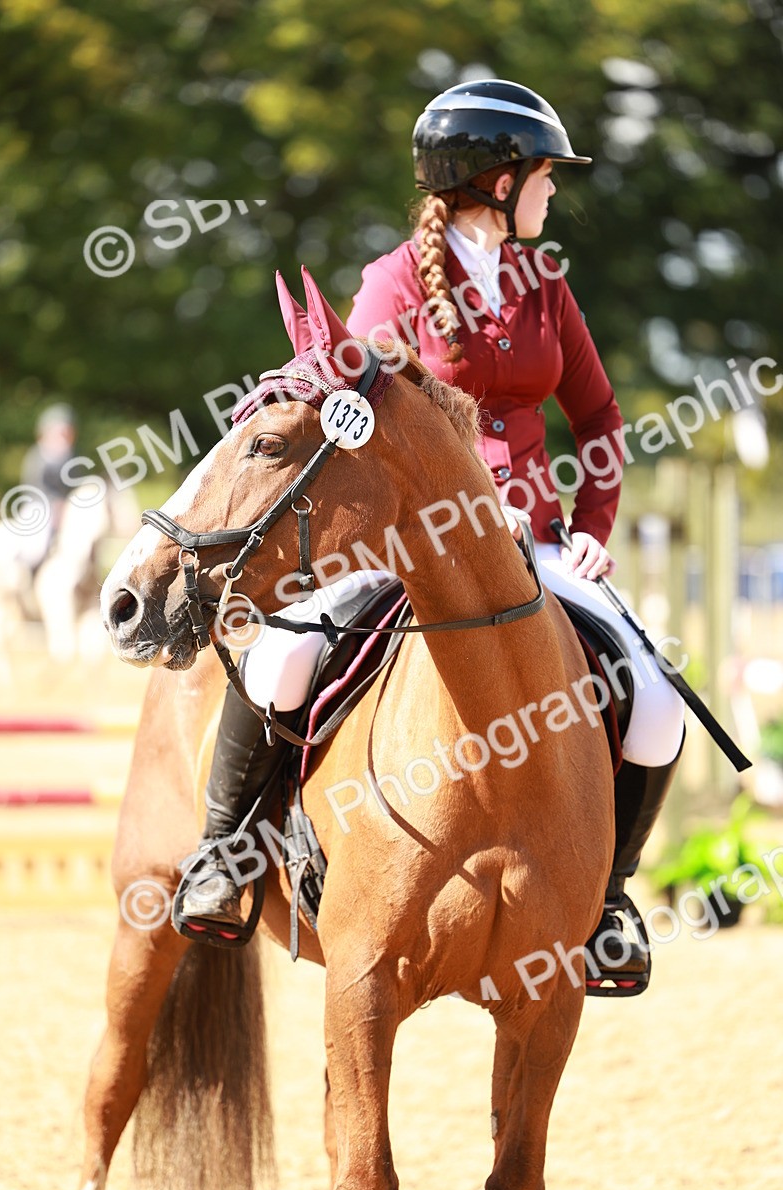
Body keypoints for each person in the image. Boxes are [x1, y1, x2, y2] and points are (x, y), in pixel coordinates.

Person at [180, 80, 685, 991]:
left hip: (530, 541)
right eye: (544, 176)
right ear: (498, 181)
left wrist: (592, 528)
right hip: (400, 547)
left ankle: (607, 899)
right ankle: (224, 855)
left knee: (652, 698)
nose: (553, 192)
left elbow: (601, 418)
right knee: (280, 662)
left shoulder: (544, 287)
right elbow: (355, 428)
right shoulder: (390, 286)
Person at [18, 403, 78, 570]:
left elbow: (74, 485)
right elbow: (35, 485)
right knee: (38, 546)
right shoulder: (37, 455)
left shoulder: (70, 456)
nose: (64, 437)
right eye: (60, 432)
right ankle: (28, 572)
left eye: (67, 433)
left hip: (65, 506)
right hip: (39, 505)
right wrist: (55, 502)